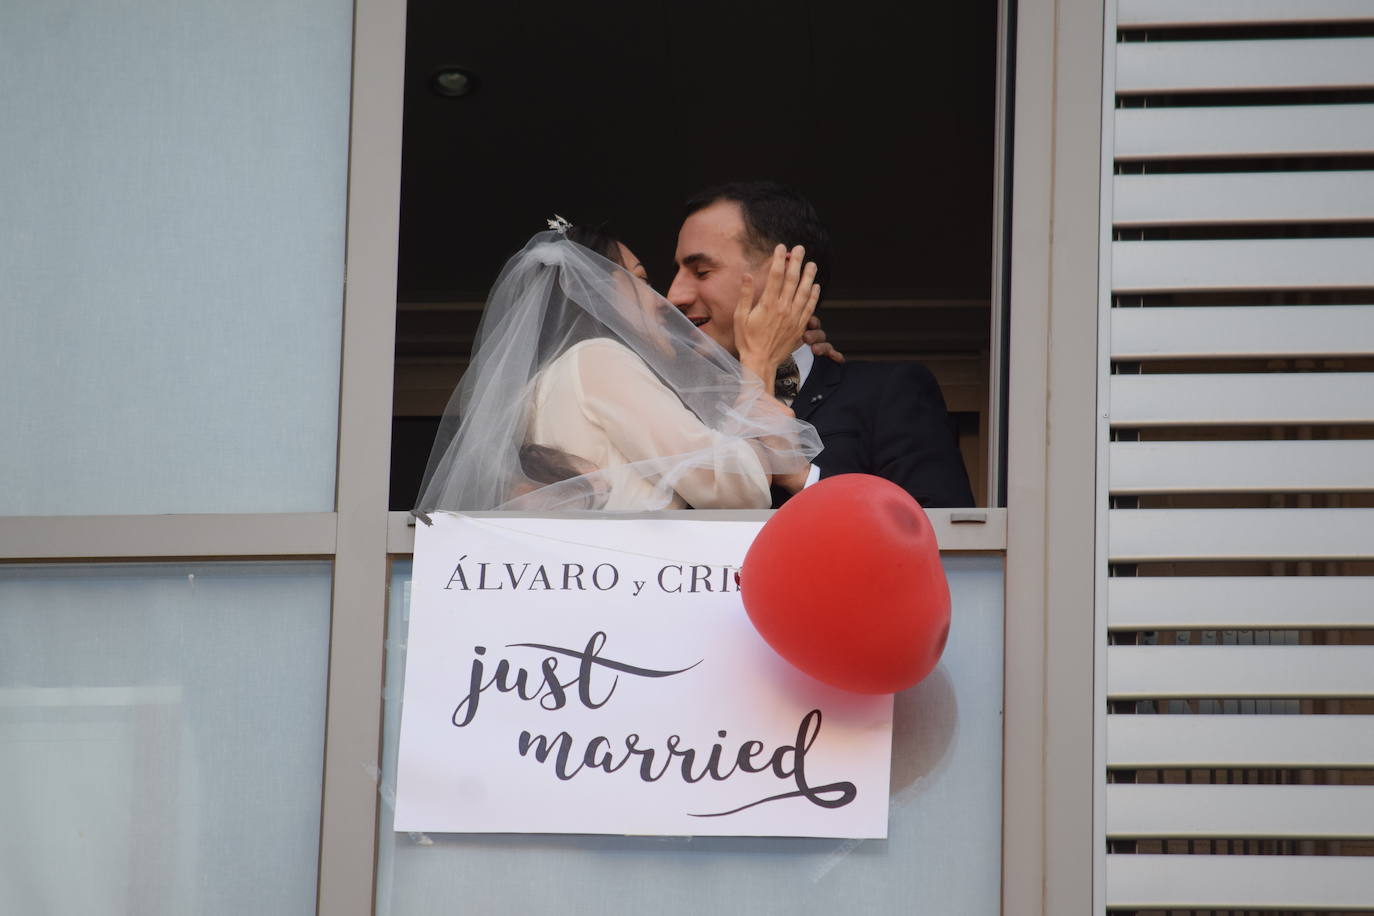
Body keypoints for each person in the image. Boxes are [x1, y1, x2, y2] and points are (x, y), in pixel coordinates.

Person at [415, 221, 822, 513]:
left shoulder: (549, 381)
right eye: (641, 281)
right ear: (602, 291)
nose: (661, 300)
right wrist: (758, 365)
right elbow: (734, 487)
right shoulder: (599, 360)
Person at [667, 181, 976, 508]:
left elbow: (943, 537)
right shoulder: (667, 403)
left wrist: (802, 476)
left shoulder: (889, 392)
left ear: (785, 273)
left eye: (701, 271)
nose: (675, 295)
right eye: (678, 271)